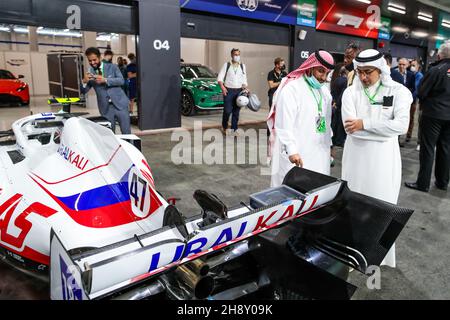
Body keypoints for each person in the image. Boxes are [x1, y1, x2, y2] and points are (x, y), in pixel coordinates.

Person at [341, 49, 413, 268]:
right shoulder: (350, 93)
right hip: (355, 158)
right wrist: (382, 131)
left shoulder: (399, 91)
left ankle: (377, 255)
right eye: (360, 72)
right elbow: (349, 129)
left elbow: (401, 126)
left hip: (384, 160)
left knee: (381, 204)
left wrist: (366, 124)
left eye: (368, 72)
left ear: (381, 69)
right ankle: (352, 252)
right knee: (353, 204)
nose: (363, 77)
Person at [267, 50, 335, 187]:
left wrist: (329, 144)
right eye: (321, 71)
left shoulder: (325, 93)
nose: (324, 77)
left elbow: (326, 123)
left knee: (315, 189)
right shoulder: (292, 89)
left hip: (318, 151)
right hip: (297, 151)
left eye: (327, 73)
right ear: (310, 67)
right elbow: (283, 124)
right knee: (290, 191)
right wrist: (292, 150)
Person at [405, 42, 450, 192]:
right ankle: (442, 182)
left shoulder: (436, 69)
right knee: (445, 148)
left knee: (428, 149)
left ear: (439, 55)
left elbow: (422, 91)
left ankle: (423, 183)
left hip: (433, 114)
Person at [81, 47, 131, 134]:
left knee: (127, 133)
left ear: (99, 57)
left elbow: (121, 80)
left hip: (121, 105)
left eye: (94, 60)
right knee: (109, 135)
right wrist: (84, 82)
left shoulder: (113, 67)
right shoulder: (90, 72)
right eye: (90, 61)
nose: (92, 63)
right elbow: (84, 91)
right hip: (106, 108)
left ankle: (129, 147)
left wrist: (106, 80)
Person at [217, 48, 248, 135]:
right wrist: (222, 87)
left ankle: (234, 129)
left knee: (236, 112)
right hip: (228, 91)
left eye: (238, 54)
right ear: (231, 55)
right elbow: (220, 78)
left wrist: (245, 87)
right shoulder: (226, 65)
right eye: (235, 55)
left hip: (239, 91)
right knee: (227, 111)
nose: (237, 56)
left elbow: (244, 79)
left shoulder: (242, 66)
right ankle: (224, 126)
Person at [330, 63, 348, 147]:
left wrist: (334, 102)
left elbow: (332, 92)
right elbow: (342, 95)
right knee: (340, 125)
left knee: (334, 123)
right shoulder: (345, 81)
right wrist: (338, 103)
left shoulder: (335, 80)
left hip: (334, 105)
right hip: (340, 105)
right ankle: (338, 141)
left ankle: (333, 139)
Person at [407, 58, 424, 144]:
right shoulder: (411, 74)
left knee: (411, 117)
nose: (412, 67)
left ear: (418, 67)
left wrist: (410, 98)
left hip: (412, 100)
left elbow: (417, 89)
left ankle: (408, 136)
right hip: (409, 98)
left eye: (414, 65)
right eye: (411, 65)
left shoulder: (419, 75)